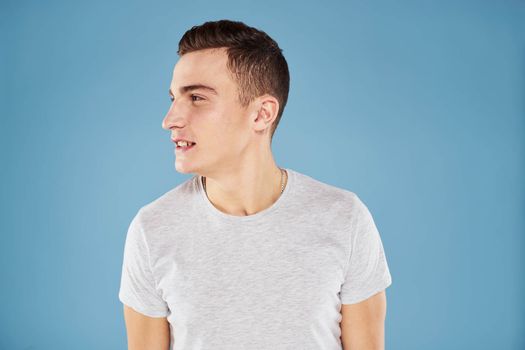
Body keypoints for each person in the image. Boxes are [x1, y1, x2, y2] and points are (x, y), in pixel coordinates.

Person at [118, 19, 392, 350]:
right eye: (174, 97)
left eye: (197, 98)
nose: (170, 119)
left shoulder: (345, 219)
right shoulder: (152, 230)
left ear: (262, 114)